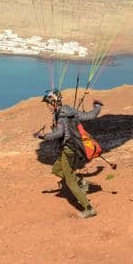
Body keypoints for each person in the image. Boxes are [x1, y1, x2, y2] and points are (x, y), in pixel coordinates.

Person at [34, 89, 103, 218]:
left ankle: (88, 208)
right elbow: (89, 115)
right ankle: (81, 182)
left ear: (54, 103)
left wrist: (43, 136)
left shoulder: (61, 116)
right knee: (56, 169)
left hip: (69, 150)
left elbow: (59, 133)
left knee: (70, 181)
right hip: (74, 148)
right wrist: (97, 106)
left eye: (48, 104)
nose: (47, 107)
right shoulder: (70, 110)